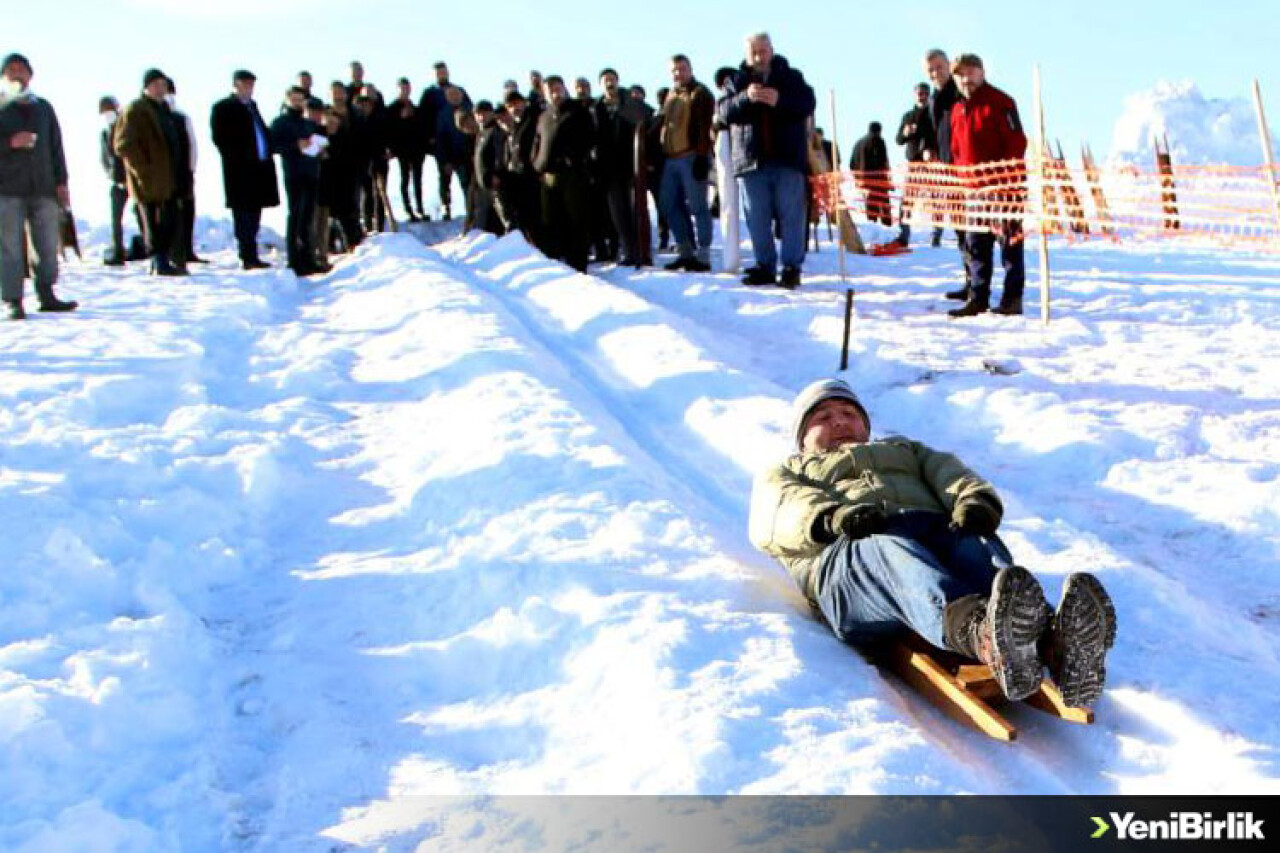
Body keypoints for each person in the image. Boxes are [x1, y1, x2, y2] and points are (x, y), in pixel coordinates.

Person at [749, 378, 1117, 708]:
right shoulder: (787, 471)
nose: (839, 422)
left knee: (974, 540)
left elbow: (953, 476)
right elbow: (777, 514)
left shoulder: (905, 450)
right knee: (886, 548)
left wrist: (973, 503)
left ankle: (1053, 642)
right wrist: (831, 517)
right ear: (802, 436)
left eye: (848, 412)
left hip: (927, 536)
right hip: (850, 569)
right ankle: (984, 635)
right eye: (823, 417)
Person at [717, 32, 816, 289]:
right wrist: (745, 98)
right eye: (754, 53)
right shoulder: (736, 81)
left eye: (763, 51)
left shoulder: (791, 77)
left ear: (771, 49)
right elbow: (723, 112)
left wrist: (779, 100)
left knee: (792, 216)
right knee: (756, 217)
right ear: (747, 55)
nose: (759, 57)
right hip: (750, 162)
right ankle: (765, 266)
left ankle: (792, 267)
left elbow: (807, 102)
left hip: (787, 159)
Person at [947, 54, 1027, 318]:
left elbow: (1017, 143)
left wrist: (1002, 180)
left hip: (1004, 189)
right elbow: (956, 150)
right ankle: (978, 297)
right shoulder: (957, 110)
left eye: (970, 72)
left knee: (1009, 246)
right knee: (976, 245)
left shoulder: (1001, 102)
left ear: (982, 72)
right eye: (960, 74)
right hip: (972, 191)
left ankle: (1012, 299)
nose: (965, 79)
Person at [0, 52, 76, 318]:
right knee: (9, 247)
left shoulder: (43, 107)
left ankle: (47, 293)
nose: (17, 73)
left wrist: (62, 183)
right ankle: (13, 300)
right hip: (6, 188)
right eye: (11, 70)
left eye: (22, 69)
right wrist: (9, 143)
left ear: (30, 75)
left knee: (46, 244)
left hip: (43, 186)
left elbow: (56, 146)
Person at [115, 68, 185, 277]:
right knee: (152, 221)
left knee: (169, 218)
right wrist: (141, 169)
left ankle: (166, 258)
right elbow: (123, 144)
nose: (160, 89)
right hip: (148, 177)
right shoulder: (136, 109)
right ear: (146, 86)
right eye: (156, 84)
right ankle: (158, 260)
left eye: (163, 85)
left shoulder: (165, 110)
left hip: (168, 174)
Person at [210, 69, 279, 270]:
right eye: (245, 84)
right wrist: (239, 157)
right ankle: (247, 255)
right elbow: (220, 138)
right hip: (239, 171)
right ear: (236, 85)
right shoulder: (224, 108)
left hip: (259, 169)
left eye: (251, 84)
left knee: (255, 213)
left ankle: (253, 254)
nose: (249, 88)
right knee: (243, 215)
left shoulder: (252, 108)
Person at [659, 54, 715, 272]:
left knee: (698, 205)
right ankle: (684, 250)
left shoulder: (700, 93)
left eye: (682, 69)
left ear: (690, 69)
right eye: (674, 69)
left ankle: (703, 254)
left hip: (691, 154)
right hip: (671, 157)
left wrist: (702, 156)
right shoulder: (670, 94)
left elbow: (704, 125)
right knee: (668, 203)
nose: (678, 73)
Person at [531, 75, 592, 271]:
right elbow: (537, 143)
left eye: (558, 89)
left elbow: (590, 137)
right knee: (551, 219)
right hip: (548, 176)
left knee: (576, 218)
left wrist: (573, 157)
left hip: (572, 174)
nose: (555, 94)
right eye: (550, 90)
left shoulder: (577, 111)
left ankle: (578, 262)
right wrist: (537, 164)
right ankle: (557, 260)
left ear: (564, 89)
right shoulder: (543, 116)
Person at [924, 48, 970, 293]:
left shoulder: (959, 92)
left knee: (972, 230)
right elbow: (933, 131)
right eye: (931, 69)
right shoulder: (934, 98)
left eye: (939, 67)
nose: (935, 73)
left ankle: (977, 284)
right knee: (960, 228)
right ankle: (970, 280)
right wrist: (929, 148)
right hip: (946, 170)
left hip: (965, 167)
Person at [271, 85, 324, 275]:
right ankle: (294, 260)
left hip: (311, 173)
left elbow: (319, 142)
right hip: (293, 174)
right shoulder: (280, 122)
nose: (297, 103)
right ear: (287, 100)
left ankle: (308, 258)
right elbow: (273, 146)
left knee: (308, 217)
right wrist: (295, 145)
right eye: (294, 99)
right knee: (295, 215)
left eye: (300, 99)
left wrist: (320, 149)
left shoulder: (308, 123)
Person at [593, 68, 643, 266]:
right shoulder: (597, 107)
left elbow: (643, 122)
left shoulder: (629, 102)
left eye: (612, 79)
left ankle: (638, 251)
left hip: (630, 164)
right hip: (608, 168)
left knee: (634, 210)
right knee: (618, 212)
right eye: (605, 80)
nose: (609, 83)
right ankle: (628, 250)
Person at [164, 76, 203, 266]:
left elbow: (192, 144)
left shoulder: (182, 117)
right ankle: (173, 251)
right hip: (165, 174)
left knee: (188, 210)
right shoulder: (157, 118)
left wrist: (191, 168)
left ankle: (187, 249)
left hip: (185, 172)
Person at [895, 82, 937, 247]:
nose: (922, 96)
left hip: (932, 164)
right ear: (915, 94)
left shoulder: (935, 114)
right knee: (907, 202)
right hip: (913, 164)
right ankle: (904, 234)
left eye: (925, 93)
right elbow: (898, 139)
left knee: (936, 201)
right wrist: (905, 133)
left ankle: (936, 235)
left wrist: (932, 150)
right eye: (919, 93)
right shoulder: (908, 116)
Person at [389, 77, 427, 221]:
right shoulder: (392, 109)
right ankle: (408, 209)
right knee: (405, 179)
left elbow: (422, 127)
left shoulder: (415, 108)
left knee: (418, 180)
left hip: (417, 149)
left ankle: (420, 208)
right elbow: (391, 130)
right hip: (402, 150)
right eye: (402, 89)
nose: (405, 91)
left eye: (407, 88)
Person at [99, 95, 129, 265]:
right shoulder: (104, 133)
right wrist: (111, 175)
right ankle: (118, 250)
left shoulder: (126, 127)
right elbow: (104, 158)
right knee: (115, 219)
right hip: (116, 182)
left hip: (132, 180)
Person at [850, 121, 892, 227]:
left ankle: (873, 231)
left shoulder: (858, 143)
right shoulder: (879, 141)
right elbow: (883, 162)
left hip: (864, 182)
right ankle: (886, 234)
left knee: (871, 211)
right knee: (884, 210)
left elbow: (852, 164)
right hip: (879, 182)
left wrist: (857, 179)